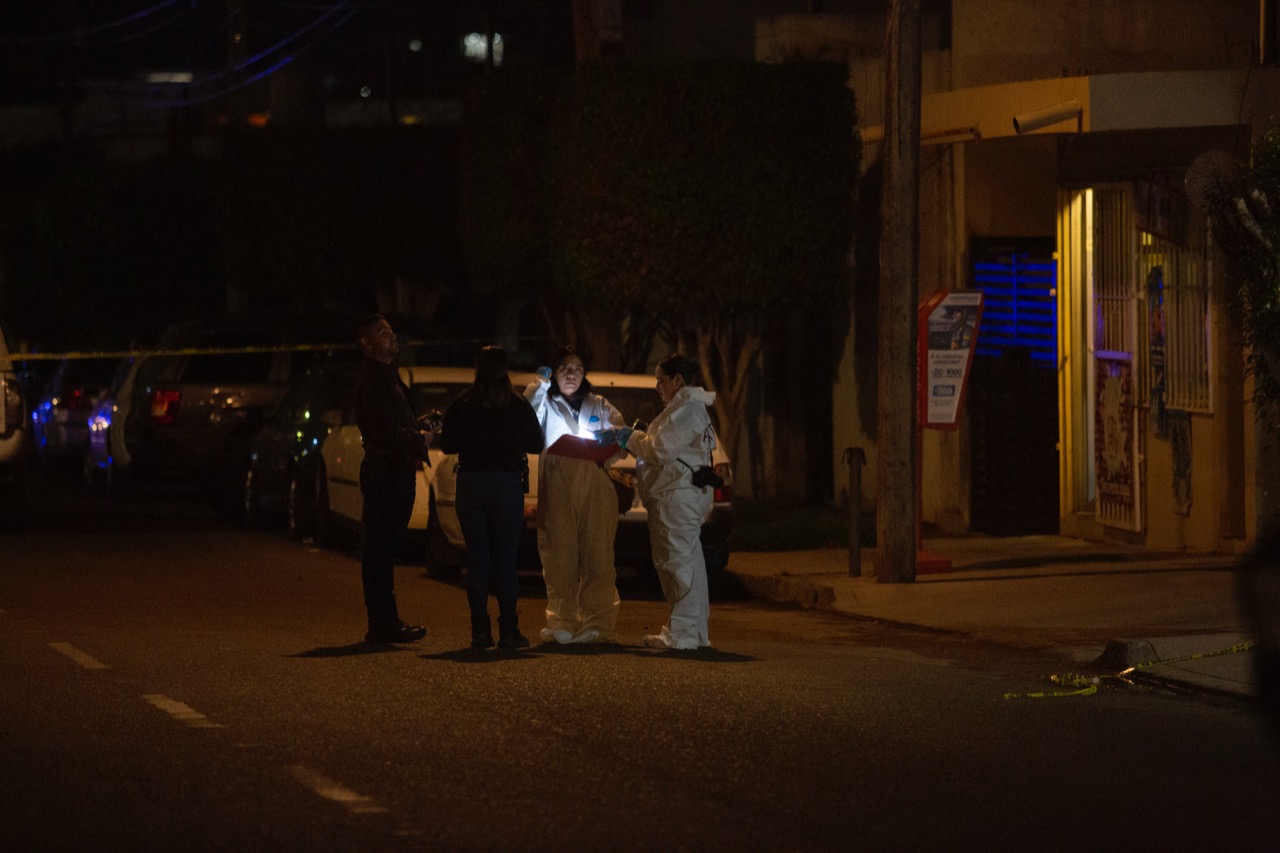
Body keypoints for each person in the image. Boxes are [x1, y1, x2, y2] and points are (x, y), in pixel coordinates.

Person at [440, 345, 545, 649]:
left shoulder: (463, 403)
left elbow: (448, 445)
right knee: (505, 560)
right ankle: (509, 629)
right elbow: (536, 444)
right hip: (506, 485)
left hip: (471, 483)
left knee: (478, 560)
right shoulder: (516, 404)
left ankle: (480, 630)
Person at [525, 345, 626, 645]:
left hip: (594, 483)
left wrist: (609, 443)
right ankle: (562, 621)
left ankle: (598, 623)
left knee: (598, 556)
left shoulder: (600, 405)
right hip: (557, 486)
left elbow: (620, 436)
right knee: (560, 556)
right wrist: (539, 385)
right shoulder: (546, 401)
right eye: (565, 368)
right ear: (555, 373)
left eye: (577, 369)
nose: (571, 374)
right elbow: (527, 414)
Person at [621, 353, 719, 650]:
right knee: (689, 562)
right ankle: (693, 631)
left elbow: (660, 450)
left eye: (661, 380)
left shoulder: (688, 409)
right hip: (680, 494)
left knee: (676, 563)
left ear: (678, 380)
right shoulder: (689, 407)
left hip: (675, 495)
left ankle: (683, 634)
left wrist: (629, 437)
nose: (657, 386)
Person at [353, 314, 431, 644]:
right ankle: (382, 623)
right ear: (367, 344)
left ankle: (387, 620)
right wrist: (418, 438)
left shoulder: (388, 377)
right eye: (383, 334)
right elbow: (384, 430)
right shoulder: (374, 379)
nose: (392, 337)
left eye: (391, 331)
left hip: (395, 470)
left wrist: (419, 427)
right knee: (380, 550)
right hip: (385, 472)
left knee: (384, 549)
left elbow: (394, 423)